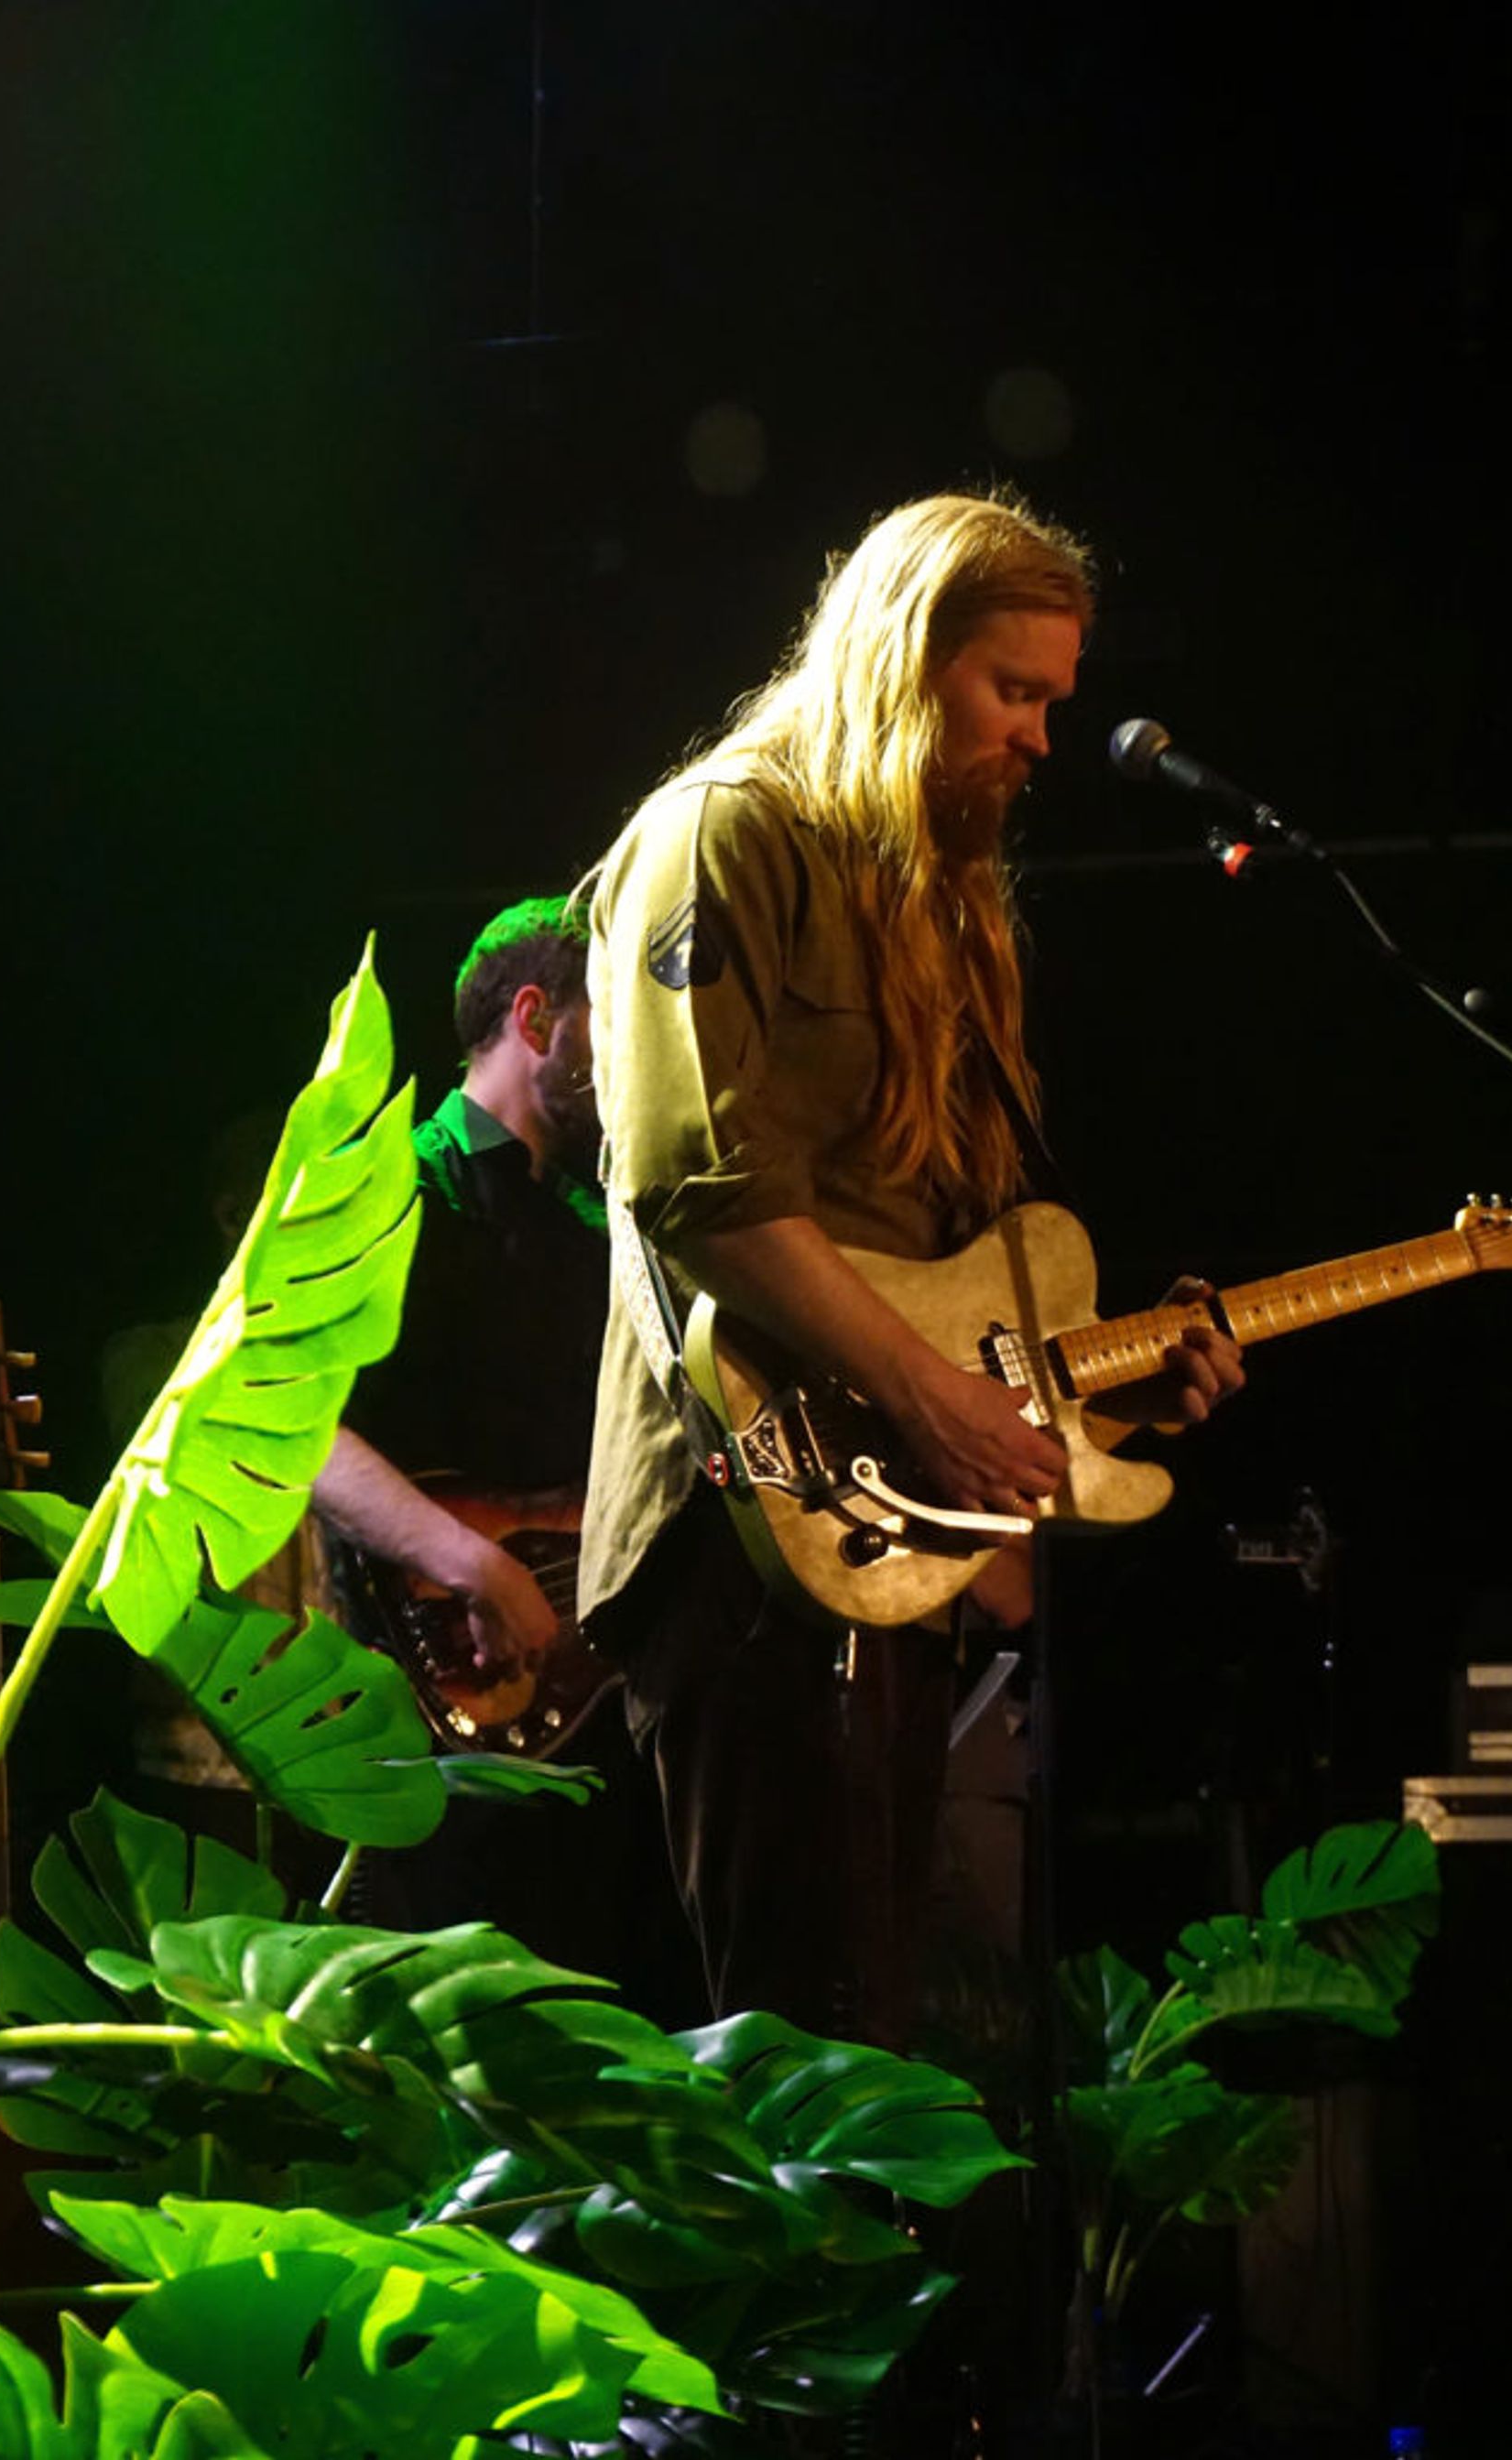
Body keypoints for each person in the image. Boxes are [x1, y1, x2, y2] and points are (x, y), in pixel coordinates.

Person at [579, 489, 1245, 2053]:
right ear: (901, 657)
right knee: (800, 2065)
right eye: (1013, 694)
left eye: (1051, 704)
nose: (1037, 742)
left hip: (885, 1530)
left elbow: (956, 1283)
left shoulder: (944, 902)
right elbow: (698, 1189)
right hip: (741, 1522)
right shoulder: (722, 832)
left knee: (878, 2050)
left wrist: (1112, 1392)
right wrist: (939, 1401)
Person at [313, 898, 676, 1987]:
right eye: (606, 1026)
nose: (628, 1064)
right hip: (427, 1711)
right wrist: (470, 1560)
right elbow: (302, 1431)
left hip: (584, 1715)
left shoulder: (596, 1223)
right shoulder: (395, 1189)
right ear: (535, 1017)